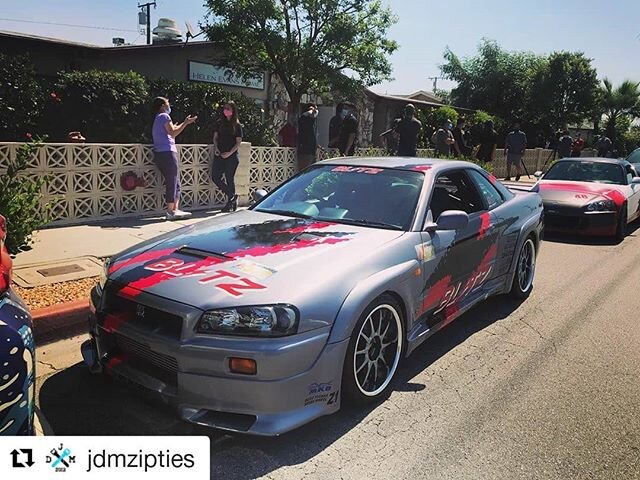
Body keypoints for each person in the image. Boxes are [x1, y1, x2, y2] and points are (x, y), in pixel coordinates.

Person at [151, 96, 197, 220]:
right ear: (162, 106)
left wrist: (184, 123)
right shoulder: (165, 116)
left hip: (160, 153)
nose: (169, 106)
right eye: (167, 103)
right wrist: (186, 124)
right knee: (172, 181)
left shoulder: (158, 118)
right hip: (167, 153)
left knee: (176, 182)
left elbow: (172, 130)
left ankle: (175, 209)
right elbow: (173, 132)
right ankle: (171, 211)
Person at [212, 100, 243, 212]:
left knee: (230, 179)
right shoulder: (220, 122)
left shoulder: (237, 125)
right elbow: (215, 137)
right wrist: (216, 148)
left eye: (228, 109)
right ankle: (232, 196)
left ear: (233, 111)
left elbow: (238, 142)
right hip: (219, 154)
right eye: (225, 108)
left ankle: (231, 204)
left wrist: (229, 153)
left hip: (231, 156)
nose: (226, 111)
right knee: (215, 176)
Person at [297, 103, 318, 170]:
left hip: (312, 151)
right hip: (305, 151)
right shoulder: (304, 119)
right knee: (304, 171)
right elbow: (311, 114)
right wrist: (311, 111)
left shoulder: (311, 123)